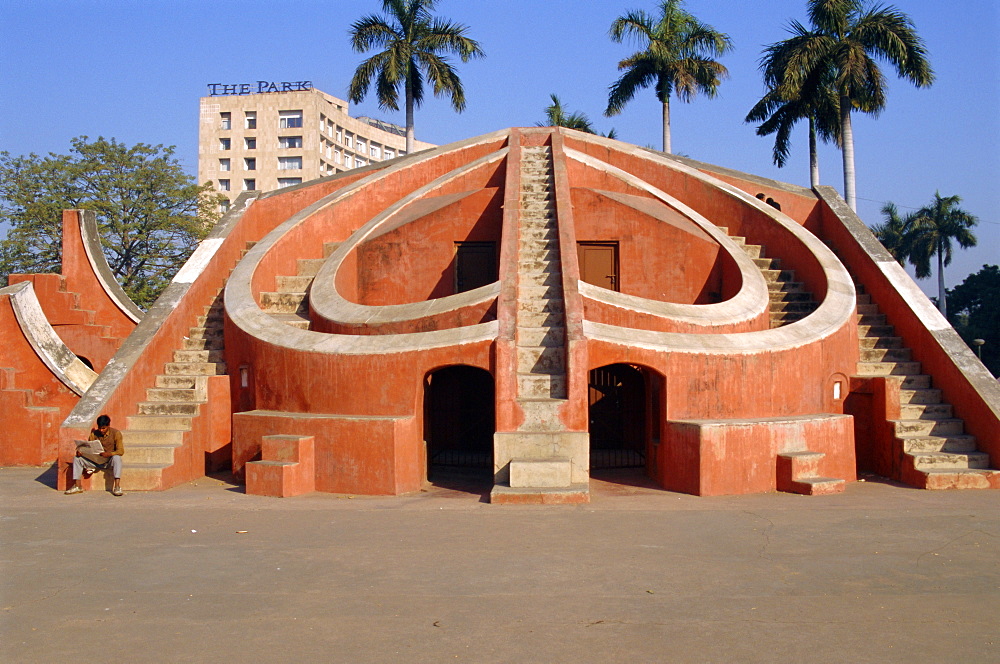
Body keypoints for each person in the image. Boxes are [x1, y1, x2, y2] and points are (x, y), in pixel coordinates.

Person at [64, 414, 125, 496]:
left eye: (104, 428)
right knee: (77, 459)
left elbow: (121, 451)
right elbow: (90, 448)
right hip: (95, 461)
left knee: (117, 458)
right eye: (100, 428)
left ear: (108, 426)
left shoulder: (116, 433)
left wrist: (109, 454)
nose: (101, 430)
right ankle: (78, 486)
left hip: (108, 461)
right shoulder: (94, 434)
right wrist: (81, 452)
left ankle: (117, 486)